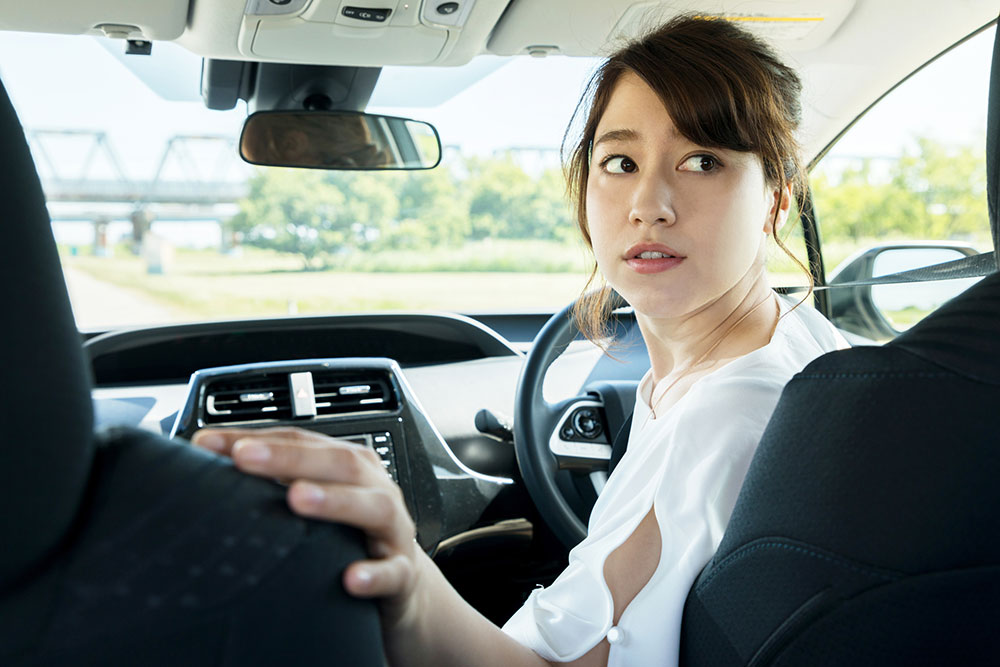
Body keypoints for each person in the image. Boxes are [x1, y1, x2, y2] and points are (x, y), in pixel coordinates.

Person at [192, 14, 847, 666]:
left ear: (776, 199)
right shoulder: (807, 345)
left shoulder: (724, 418)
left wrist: (411, 578)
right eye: (619, 161)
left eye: (703, 160)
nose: (650, 202)